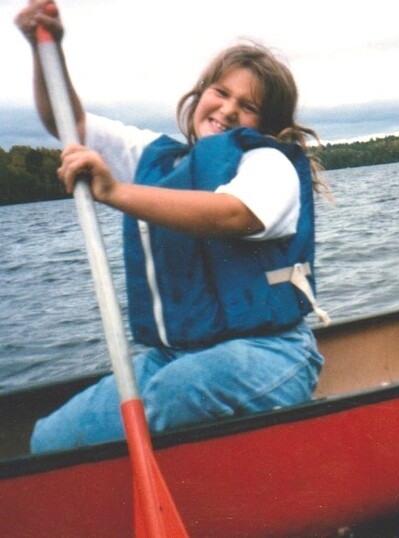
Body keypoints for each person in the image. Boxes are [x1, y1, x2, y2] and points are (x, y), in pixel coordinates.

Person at [16, 0, 329, 453]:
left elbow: (233, 213)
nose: (227, 108)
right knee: (51, 440)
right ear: (201, 93)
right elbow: (70, 124)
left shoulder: (270, 164)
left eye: (248, 105)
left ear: (267, 123)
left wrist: (116, 193)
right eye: (220, 92)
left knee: (176, 393)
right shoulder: (157, 159)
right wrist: (47, 49)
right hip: (174, 355)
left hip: (273, 354)